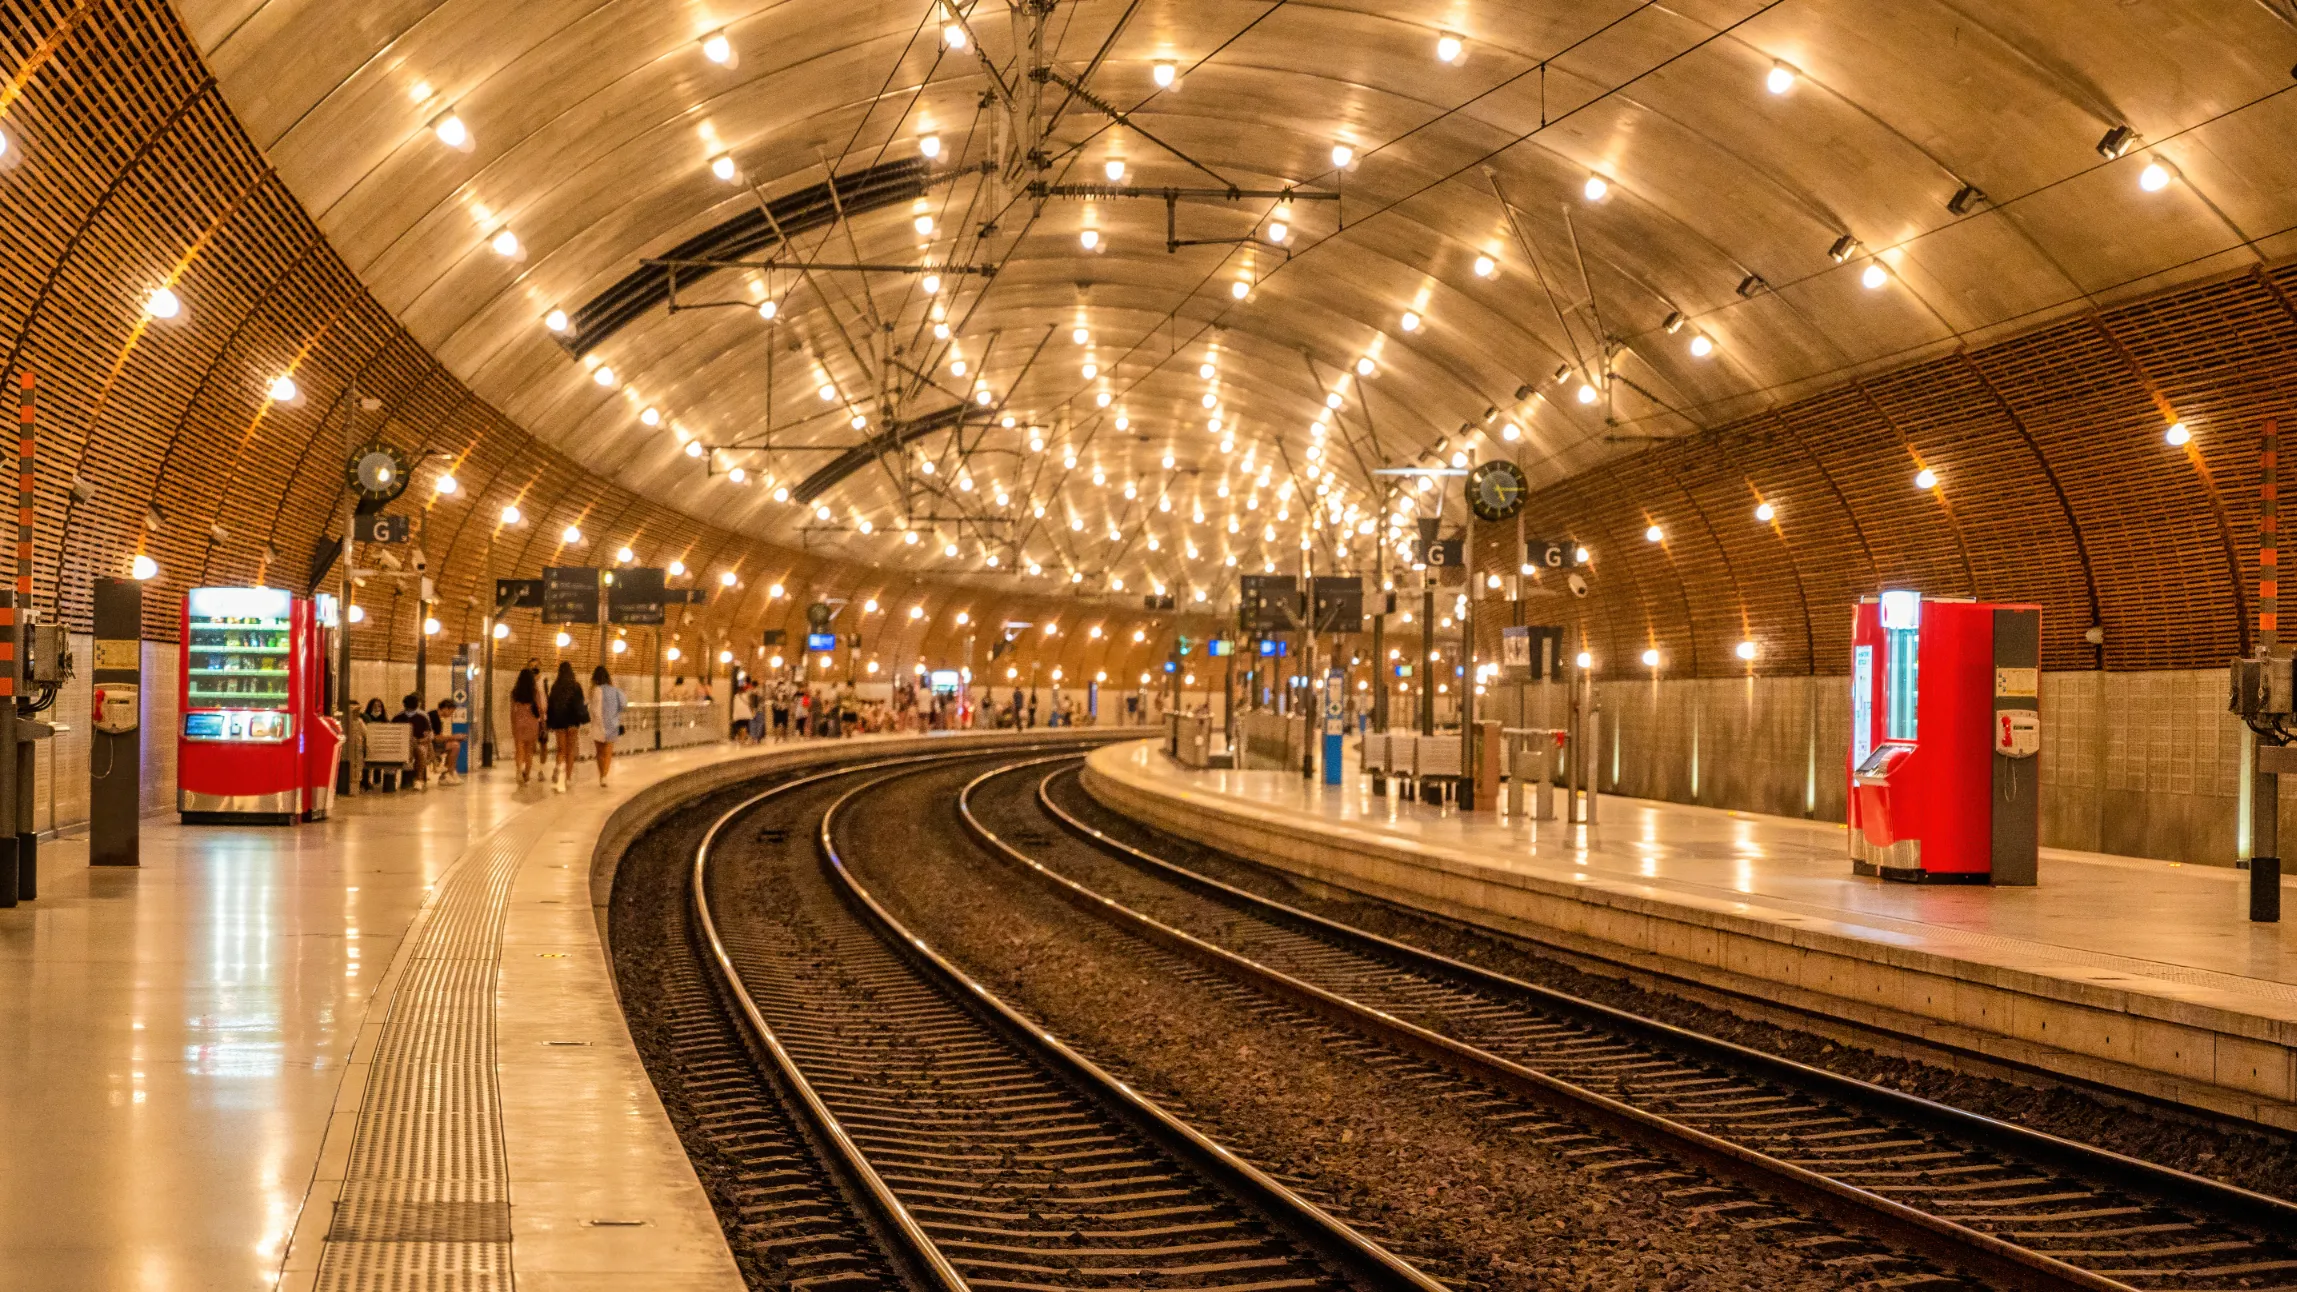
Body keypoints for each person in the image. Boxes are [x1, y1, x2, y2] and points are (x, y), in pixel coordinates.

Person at [545, 661, 588, 793]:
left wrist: (550, 723)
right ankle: (568, 778)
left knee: (560, 750)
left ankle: (558, 767)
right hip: (573, 722)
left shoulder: (555, 687)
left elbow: (550, 706)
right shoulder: (576, 687)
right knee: (570, 751)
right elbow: (580, 704)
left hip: (560, 722)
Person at [588, 664, 625, 789]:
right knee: (608, 752)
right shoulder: (615, 690)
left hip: (598, 726)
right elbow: (623, 705)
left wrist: (599, 723)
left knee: (599, 752)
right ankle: (604, 776)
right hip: (612, 725)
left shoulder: (596, 690)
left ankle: (601, 775)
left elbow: (594, 710)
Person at [508, 665, 544, 785]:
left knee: (519, 750)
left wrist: (513, 725)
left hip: (519, 723)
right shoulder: (535, 692)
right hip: (532, 723)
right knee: (529, 751)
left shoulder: (515, 692)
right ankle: (527, 775)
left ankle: (519, 770)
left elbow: (512, 711)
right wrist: (542, 722)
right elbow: (540, 709)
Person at [391, 693, 434, 790]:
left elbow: (428, 736)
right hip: (400, 745)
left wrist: (418, 741)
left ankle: (418, 779)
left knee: (421, 751)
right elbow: (393, 733)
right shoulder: (398, 717)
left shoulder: (422, 717)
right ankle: (393, 779)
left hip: (417, 743)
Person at [430, 698, 468, 785]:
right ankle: (447, 773)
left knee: (455, 743)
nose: (451, 715)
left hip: (431, 743)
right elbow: (437, 738)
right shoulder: (434, 717)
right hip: (430, 745)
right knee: (455, 745)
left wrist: (454, 737)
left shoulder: (434, 715)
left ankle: (450, 771)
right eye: (451, 712)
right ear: (445, 708)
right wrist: (454, 737)